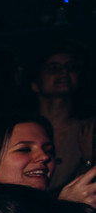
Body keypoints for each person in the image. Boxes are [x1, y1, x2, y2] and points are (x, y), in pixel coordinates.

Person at [0, 113, 96, 209]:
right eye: (24, 149)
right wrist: (69, 210)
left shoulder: (42, 209)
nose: (45, 157)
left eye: (48, 150)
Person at [28, 45, 93, 189]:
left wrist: (88, 160)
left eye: (71, 67)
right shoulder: (18, 129)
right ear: (35, 84)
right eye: (54, 68)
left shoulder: (89, 128)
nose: (64, 72)